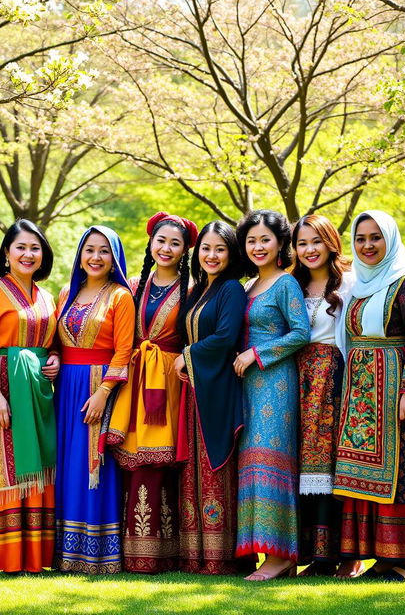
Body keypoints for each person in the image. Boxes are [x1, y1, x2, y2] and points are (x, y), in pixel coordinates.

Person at [332, 210, 405, 581]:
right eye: (360, 238)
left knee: (401, 471)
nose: (367, 245)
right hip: (361, 391)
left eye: (375, 237)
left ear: (390, 239)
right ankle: (380, 554)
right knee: (363, 473)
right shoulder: (359, 286)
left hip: (396, 392)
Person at [0, 219, 60, 573]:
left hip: (37, 391)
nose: (27, 254)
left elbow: (53, 342)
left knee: (38, 469)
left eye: (35, 248)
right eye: (20, 247)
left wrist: (55, 358)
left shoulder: (47, 297)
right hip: (2, 388)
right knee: (3, 468)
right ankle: (5, 556)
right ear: (6, 253)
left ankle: (36, 555)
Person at [108, 212, 197, 573]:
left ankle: (166, 552)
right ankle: (132, 552)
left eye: (175, 243)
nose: (166, 248)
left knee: (161, 463)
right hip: (134, 379)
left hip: (171, 382)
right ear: (150, 243)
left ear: (184, 251)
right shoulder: (132, 285)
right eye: (161, 240)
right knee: (132, 463)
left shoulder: (192, 290)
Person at [233, 209, 310, 581]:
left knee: (273, 459)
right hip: (246, 386)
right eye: (251, 240)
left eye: (265, 239)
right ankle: (263, 550)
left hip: (276, 382)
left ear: (281, 243)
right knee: (251, 461)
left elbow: (300, 333)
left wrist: (257, 354)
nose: (258, 246)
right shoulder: (248, 287)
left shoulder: (285, 283)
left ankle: (281, 556)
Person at [54, 226, 135, 574]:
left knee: (95, 466)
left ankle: (97, 553)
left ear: (114, 257)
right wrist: (54, 357)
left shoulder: (120, 296)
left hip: (99, 389)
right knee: (67, 464)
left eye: (104, 251)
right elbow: (54, 342)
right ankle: (64, 553)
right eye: (89, 250)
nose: (96, 257)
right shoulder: (65, 293)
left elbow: (124, 350)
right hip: (66, 390)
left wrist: (103, 393)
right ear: (79, 254)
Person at [172, 220, 249, 574]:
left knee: (215, 468)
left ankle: (223, 558)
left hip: (218, 390)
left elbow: (225, 337)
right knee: (193, 470)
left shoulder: (231, 288)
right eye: (205, 248)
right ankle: (196, 555)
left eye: (220, 248)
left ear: (231, 253)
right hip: (195, 392)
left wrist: (187, 356)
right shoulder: (200, 289)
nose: (211, 255)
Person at [291, 214, 352, 577]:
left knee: (331, 466)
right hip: (296, 379)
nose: (309, 249)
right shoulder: (291, 285)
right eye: (302, 243)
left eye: (316, 241)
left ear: (330, 241)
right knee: (300, 465)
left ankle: (334, 555)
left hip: (334, 378)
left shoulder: (350, 282)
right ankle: (308, 553)